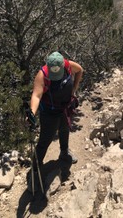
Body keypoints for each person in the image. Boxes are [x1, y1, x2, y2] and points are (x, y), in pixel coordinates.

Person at [27, 51, 83, 191]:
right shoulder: (43, 75)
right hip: (50, 112)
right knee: (45, 139)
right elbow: (36, 95)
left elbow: (80, 70)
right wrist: (32, 113)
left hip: (64, 108)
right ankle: (36, 166)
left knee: (65, 129)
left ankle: (64, 153)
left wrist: (74, 88)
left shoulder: (68, 65)